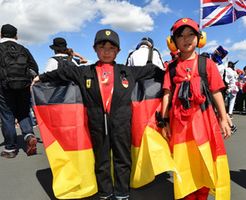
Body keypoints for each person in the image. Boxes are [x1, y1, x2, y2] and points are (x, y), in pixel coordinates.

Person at [32, 28, 163, 200]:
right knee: (101, 161)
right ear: (95, 49)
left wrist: (170, 76)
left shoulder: (127, 72)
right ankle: (105, 192)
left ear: (118, 51)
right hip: (96, 125)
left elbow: (152, 70)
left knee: (122, 159)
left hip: (122, 124)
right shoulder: (84, 71)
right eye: (102, 47)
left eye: (111, 48)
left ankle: (122, 192)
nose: (107, 51)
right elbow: (63, 72)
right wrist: (40, 78)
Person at [160, 18, 231, 200]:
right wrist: (164, 121)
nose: (186, 39)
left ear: (199, 38)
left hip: (205, 123)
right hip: (180, 126)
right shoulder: (172, 68)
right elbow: (167, 94)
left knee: (205, 162)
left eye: (191, 34)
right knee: (184, 164)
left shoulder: (206, 64)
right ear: (173, 42)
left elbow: (216, 92)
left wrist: (223, 118)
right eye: (180, 35)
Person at [0, 24, 39, 158]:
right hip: (23, 87)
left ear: (1, 34)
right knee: (23, 113)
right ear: (16, 35)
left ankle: (10, 148)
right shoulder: (24, 49)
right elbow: (34, 68)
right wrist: (26, 80)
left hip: (4, 88)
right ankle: (28, 136)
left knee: (7, 116)